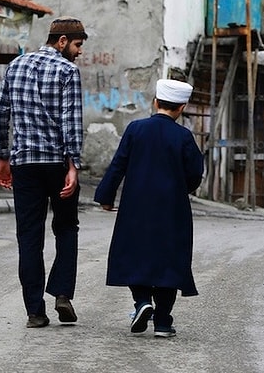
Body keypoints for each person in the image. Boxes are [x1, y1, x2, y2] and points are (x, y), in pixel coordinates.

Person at [0, 16, 87, 328]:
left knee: (29, 236)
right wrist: (73, 166)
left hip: (24, 165)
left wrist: (3, 157)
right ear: (62, 41)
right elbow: (71, 121)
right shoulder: (67, 70)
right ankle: (61, 292)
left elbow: (2, 113)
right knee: (66, 227)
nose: (79, 52)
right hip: (57, 165)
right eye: (77, 45)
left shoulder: (16, 65)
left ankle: (35, 311)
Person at [94, 79, 204, 338]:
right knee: (169, 260)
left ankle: (142, 302)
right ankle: (163, 322)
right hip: (172, 209)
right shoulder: (184, 137)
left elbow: (118, 164)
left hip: (136, 206)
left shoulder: (135, 129)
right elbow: (195, 174)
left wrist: (106, 196)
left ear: (155, 102)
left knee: (136, 255)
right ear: (182, 108)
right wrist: (180, 188)